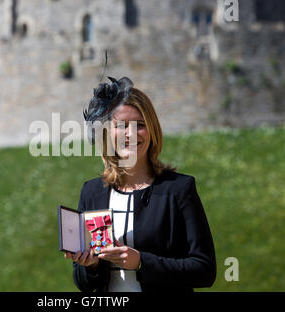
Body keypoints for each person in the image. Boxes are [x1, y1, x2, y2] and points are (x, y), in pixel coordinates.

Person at [64, 76, 216, 292]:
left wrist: (142, 262)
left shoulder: (179, 189)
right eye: (122, 126)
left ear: (152, 130)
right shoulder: (92, 192)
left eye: (140, 125)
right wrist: (91, 266)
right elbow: (82, 282)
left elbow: (205, 270)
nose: (131, 133)